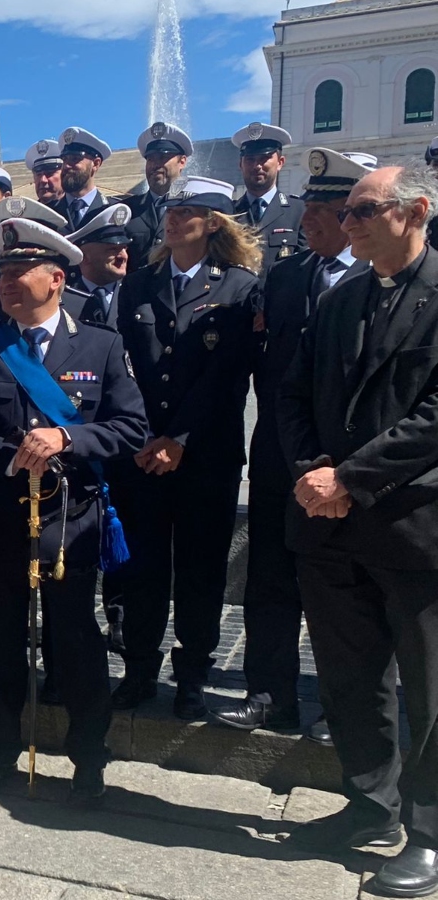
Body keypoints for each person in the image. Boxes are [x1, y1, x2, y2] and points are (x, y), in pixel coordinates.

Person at [0, 217, 147, 806]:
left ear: (56, 277)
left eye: (17, 271)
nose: (4, 281)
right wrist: (10, 457)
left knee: (75, 645)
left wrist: (67, 440)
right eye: (0, 272)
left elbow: (131, 427)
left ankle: (87, 761)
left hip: (69, 522)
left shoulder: (102, 344)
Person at [276, 163, 438, 896]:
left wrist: (353, 478)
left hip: (411, 524)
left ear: (416, 211)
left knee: (430, 690)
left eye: (365, 210)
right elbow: (293, 392)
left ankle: (430, 834)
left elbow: (434, 416)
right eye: (346, 215)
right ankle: (371, 804)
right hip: (330, 526)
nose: (350, 224)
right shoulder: (341, 298)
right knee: (350, 677)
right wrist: (316, 471)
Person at [211, 148, 369, 740]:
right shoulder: (285, 277)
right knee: (269, 582)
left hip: (347, 466)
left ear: (352, 214)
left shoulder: (378, 279)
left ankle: (345, 710)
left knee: (344, 597)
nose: (307, 220)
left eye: (322, 209)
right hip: (280, 455)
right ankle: (269, 696)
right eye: (306, 208)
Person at [108, 176, 260, 720]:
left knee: (201, 569)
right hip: (143, 452)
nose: (173, 219)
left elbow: (227, 377)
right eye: (172, 209)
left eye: (188, 211)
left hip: (206, 457)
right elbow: (123, 366)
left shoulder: (239, 287)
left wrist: (181, 440)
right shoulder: (139, 284)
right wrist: (146, 435)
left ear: (213, 222)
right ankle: (139, 671)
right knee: (142, 568)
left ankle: (192, 674)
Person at [232, 122, 306, 274]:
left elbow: (306, 265)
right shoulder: (229, 213)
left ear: (280, 163)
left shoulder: (299, 211)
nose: (257, 166)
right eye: (250, 160)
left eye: (264, 158)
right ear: (240, 164)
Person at [123, 123, 192, 265]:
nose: (155, 165)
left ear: (182, 161)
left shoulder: (195, 211)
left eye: (162, 157)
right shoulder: (126, 210)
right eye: (150, 159)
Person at [67, 203, 133, 328]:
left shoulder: (138, 294)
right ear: (84, 257)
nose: (123, 257)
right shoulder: (65, 300)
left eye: (124, 248)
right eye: (112, 249)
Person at [55, 127, 113, 230]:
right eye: (64, 159)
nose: (67, 166)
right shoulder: (49, 213)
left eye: (74, 159)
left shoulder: (113, 211)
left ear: (96, 164)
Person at [25, 139, 66, 209]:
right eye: (38, 174)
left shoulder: (78, 212)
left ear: (64, 174)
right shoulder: (28, 215)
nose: (43, 180)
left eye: (49, 173)